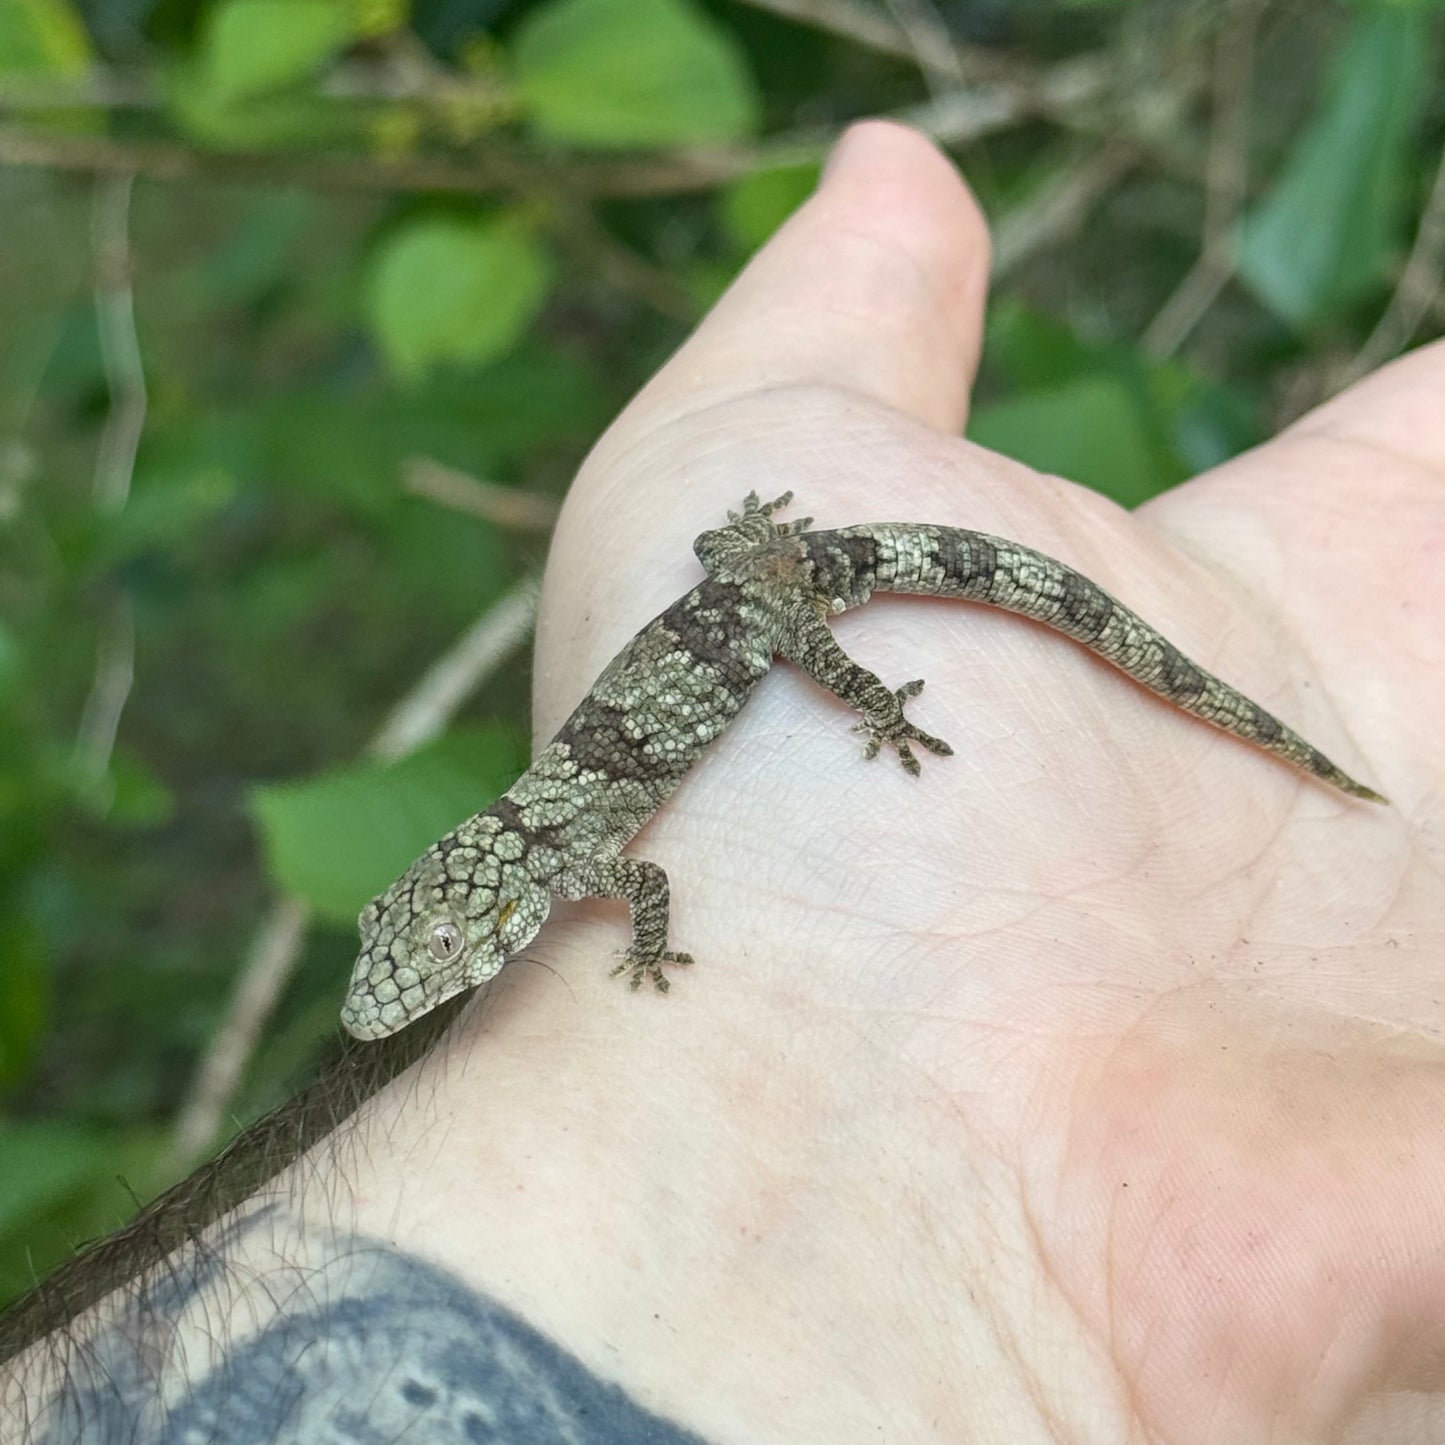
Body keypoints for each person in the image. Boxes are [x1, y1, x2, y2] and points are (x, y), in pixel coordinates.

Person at [4, 120, 1441, 1443]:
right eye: (413, 947)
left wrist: (862, 715)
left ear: (487, 907)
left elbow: (647, 877)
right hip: (745, 582)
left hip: (779, 599)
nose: (407, 971)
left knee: (993, 633)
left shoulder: (571, 860)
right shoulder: (530, 848)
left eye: (426, 944)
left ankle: (1021, 698)